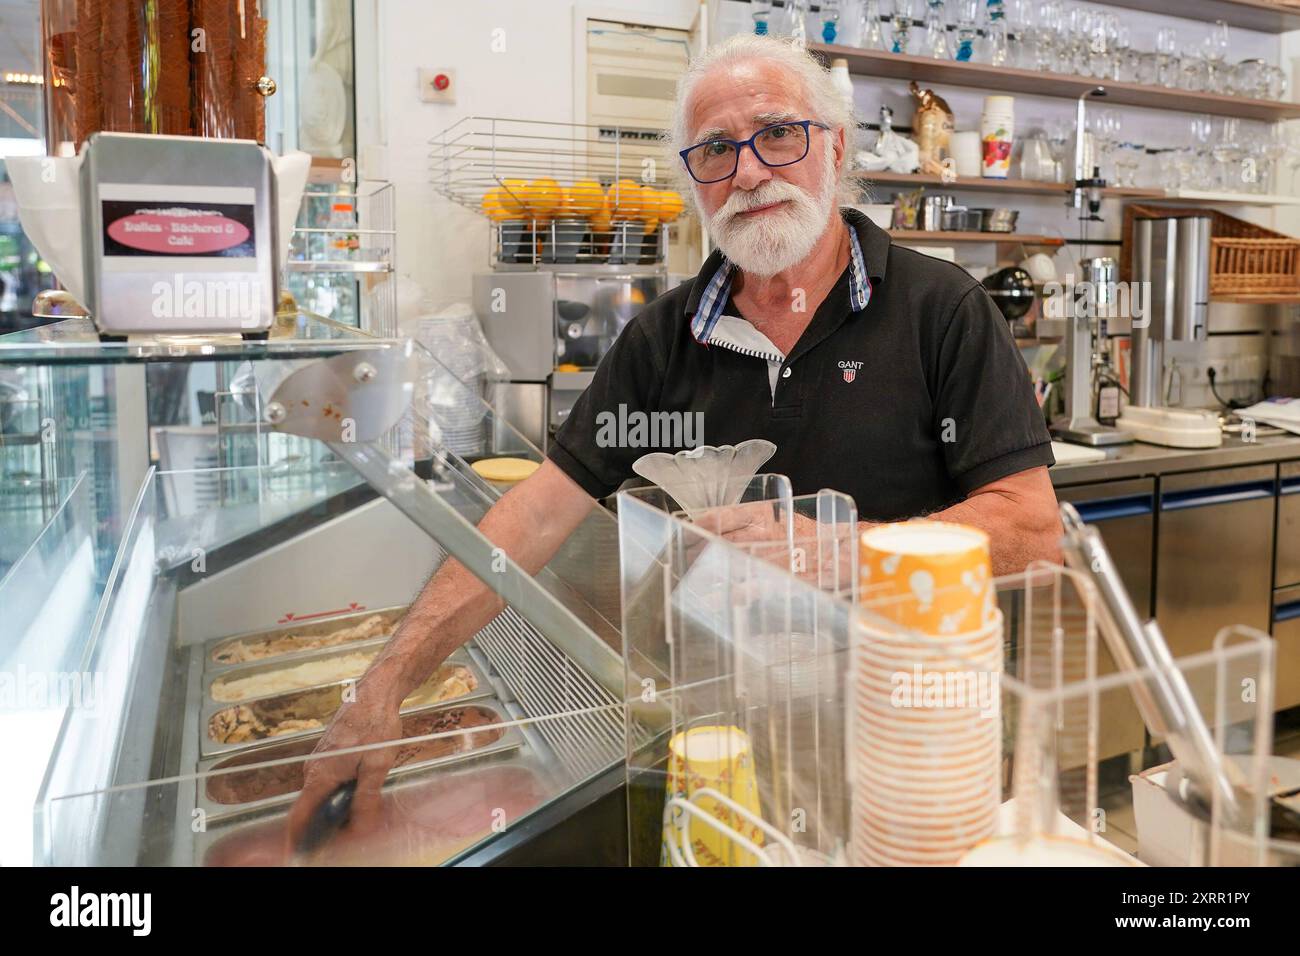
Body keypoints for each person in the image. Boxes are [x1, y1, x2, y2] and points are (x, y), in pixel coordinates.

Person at [286, 33, 1060, 846]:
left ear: (835, 146)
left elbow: (1035, 534)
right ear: (694, 180)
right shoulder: (664, 338)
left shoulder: (942, 311)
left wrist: (836, 552)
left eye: (778, 134)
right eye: (716, 151)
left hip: (909, 735)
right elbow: (536, 516)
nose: (749, 172)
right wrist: (381, 688)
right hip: (725, 740)